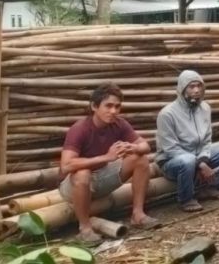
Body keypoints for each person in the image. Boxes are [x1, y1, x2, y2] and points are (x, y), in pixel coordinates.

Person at [59, 84, 159, 244]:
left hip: (102, 179)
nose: (113, 111)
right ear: (94, 106)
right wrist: (106, 157)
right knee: (83, 173)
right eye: (108, 106)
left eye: (117, 106)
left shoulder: (119, 124)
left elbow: (145, 146)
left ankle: (138, 215)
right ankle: (85, 229)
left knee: (140, 158)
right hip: (73, 186)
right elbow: (66, 166)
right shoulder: (80, 129)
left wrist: (134, 147)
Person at [156, 70, 219, 212]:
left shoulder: (205, 108)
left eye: (199, 86)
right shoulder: (167, 114)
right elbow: (170, 149)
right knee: (187, 160)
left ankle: (207, 187)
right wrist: (200, 164)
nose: (196, 90)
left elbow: (207, 140)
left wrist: (203, 159)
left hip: (199, 156)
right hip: (173, 162)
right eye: (191, 87)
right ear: (182, 89)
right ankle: (186, 199)